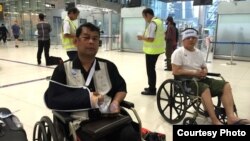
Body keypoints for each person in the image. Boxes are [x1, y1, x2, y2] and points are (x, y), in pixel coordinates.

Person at [44, 23, 139, 141]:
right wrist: (87, 99)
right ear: (76, 41)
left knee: (130, 135)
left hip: (110, 120)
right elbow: (52, 99)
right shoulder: (63, 70)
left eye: (95, 38)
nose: (91, 42)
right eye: (86, 37)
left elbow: (121, 88)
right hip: (81, 124)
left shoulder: (108, 67)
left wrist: (115, 102)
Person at [171, 28, 250, 125]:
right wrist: (194, 72)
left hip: (200, 79)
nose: (191, 39)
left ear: (196, 39)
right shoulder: (178, 53)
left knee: (225, 85)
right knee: (205, 88)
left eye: (193, 37)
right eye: (188, 38)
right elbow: (176, 71)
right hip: (185, 82)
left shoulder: (198, 53)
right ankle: (214, 120)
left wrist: (204, 71)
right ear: (183, 40)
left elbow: (204, 67)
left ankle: (231, 117)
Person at [137, 8, 165, 95]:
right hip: (157, 49)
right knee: (151, 69)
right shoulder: (159, 21)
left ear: (148, 15)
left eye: (144, 17)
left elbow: (151, 39)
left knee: (150, 70)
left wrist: (142, 38)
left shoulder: (153, 23)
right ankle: (151, 86)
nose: (145, 19)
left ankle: (152, 89)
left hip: (152, 51)